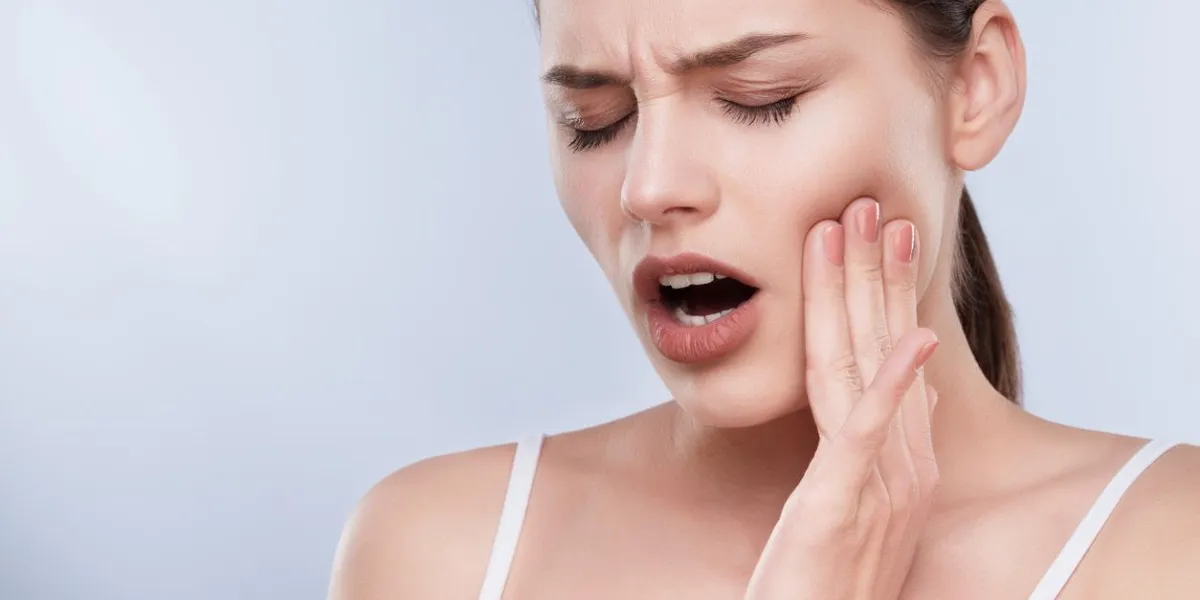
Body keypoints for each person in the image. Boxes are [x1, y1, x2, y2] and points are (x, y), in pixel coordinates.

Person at [326, 0, 1200, 597]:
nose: (649, 187)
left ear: (976, 87)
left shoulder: (1170, 551)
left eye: (760, 101)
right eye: (596, 120)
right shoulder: (439, 553)